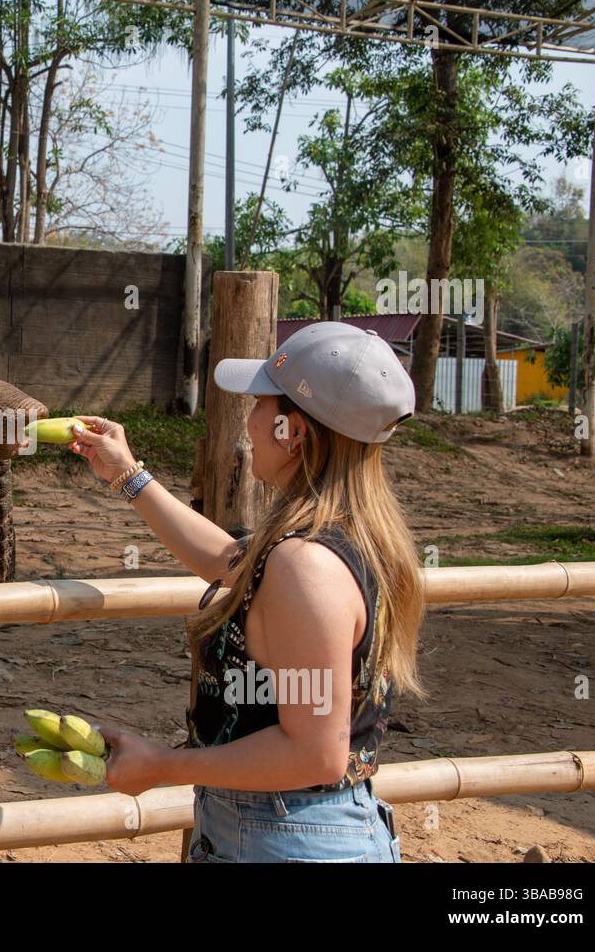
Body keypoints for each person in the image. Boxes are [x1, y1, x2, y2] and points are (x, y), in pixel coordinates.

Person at [66, 322, 424, 863]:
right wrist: (128, 475)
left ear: (292, 431)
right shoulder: (342, 538)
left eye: (258, 403)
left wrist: (162, 764)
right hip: (289, 830)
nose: (249, 421)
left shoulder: (307, 568)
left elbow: (314, 753)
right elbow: (227, 561)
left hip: (284, 841)